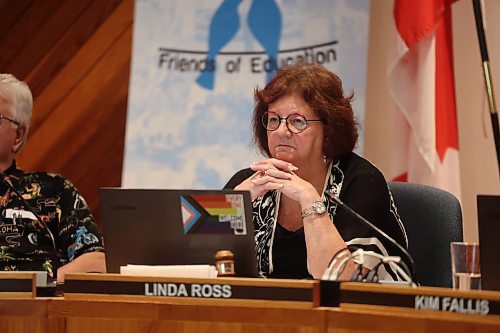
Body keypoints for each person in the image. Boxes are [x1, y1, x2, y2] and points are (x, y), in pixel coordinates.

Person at [225, 63, 409, 280]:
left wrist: (309, 199)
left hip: (355, 310)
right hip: (266, 311)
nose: (282, 131)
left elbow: (344, 281)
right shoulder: (248, 181)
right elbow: (196, 263)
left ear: (329, 130)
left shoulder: (360, 182)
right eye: (274, 119)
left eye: (297, 121)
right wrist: (234, 205)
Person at [0, 73, 105, 283]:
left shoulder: (53, 191)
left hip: (35, 310)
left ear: (18, 135)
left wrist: (40, 286)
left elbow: (95, 260)